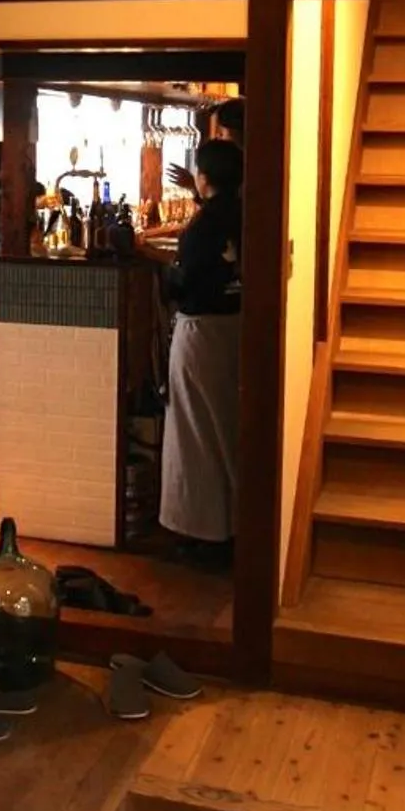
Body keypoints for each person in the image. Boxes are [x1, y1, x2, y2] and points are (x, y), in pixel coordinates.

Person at [158, 137, 242, 565]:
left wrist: (159, 269)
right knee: (225, 428)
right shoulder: (245, 212)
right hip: (235, 329)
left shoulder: (205, 224)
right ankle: (229, 527)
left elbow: (183, 282)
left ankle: (200, 532)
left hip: (200, 332)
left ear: (204, 176)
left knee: (193, 432)